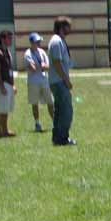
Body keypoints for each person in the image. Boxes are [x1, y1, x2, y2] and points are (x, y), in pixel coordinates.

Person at [48, 17, 76, 146]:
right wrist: (66, 80)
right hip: (59, 81)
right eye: (68, 26)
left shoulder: (60, 41)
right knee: (66, 111)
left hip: (58, 81)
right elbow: (57, 63)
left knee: (59, 110)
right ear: (61, 27)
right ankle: (63, 138)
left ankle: (57, 138)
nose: (70, 29)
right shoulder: (56, 41)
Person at [24, 33, 54, 133]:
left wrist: (39, 66)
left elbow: (48, 66)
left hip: (44, 80)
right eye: (37, 42)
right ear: (31, 43)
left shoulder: (42, 52)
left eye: (39, 41)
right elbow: (32, 68)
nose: (39, 43)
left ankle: (54, 122)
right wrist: (41, 66)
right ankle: (37, 123)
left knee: (50, 101)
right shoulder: (28, 54)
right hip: (33, 82)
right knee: (35, 103)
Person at [0, 30, 17, 138]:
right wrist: (1, 86)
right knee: (0, 109)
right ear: (2, 39)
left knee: (5, 109)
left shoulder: (7, 51)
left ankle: (5, 130)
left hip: (9, 83)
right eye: (9, 38)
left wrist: (13, 85)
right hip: (2, 84)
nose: (11, 40)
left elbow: (10, 68)